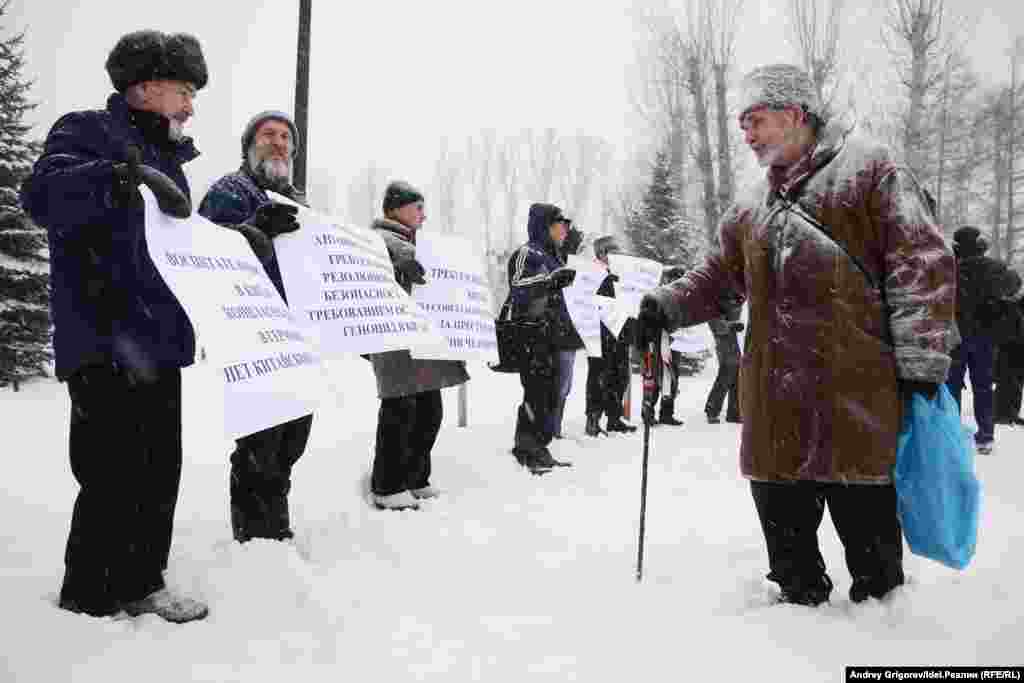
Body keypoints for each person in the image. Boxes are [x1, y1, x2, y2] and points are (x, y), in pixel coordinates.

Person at [637, 64, 958, 606]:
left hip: (856, 400)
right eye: (742, 123)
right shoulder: (751, 203)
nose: (747, 134)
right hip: (774, 407)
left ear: (794, 115)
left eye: (755, 120)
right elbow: (720, 275)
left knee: (876, 569)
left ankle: (886, 642)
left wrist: (921, 363)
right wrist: (665, 304)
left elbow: (921, 265)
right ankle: (793, 633)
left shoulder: (872, 171)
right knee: (789, 567)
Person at [20, 30, 210, 622]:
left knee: (158, 472)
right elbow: (43, 195)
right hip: (104, 337)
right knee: (110, 474)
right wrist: (118, 179)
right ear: (146, 86)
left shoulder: (172, 159)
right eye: (184, 91)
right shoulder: (87, 131)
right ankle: (89, 600)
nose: (190, 106)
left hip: (161, 344)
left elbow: (184, 246)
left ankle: (142, 581)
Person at [198, 111, 313, 541]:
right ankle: (255, 538)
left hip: (296, 337)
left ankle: (275, 526)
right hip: (250, 333)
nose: (279, 142)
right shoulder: (231, 191)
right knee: (259, 444)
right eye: (269, 135)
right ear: (249, 146)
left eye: (286, 137)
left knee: (290, 441)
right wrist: (253, 231)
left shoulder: (299, 204)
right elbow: (205, 253)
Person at [366, 181, 470, 509]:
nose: (423, 215)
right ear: (394, 208)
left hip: (425, 338)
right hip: (395, 338)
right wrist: (399, 264)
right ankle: (387, 483)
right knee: (400, 409)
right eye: (417, 207)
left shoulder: (422, 244)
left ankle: (415, 476)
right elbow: (372, 275)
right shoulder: (378, 239)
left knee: (429, 410)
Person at [507, 203, 578, 473]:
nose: (565, 229)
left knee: (551, 392)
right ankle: (526, 447)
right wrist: (549, 282)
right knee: (536, 390)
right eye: (560, 223)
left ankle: (540, 445)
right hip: (532, 332)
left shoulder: (555, 256)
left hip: (555, 333)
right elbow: (518, 286)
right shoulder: (527, 252)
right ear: (545, 226)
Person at [944, 226, 1022, 454]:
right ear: (980, 246)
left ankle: (951, 434)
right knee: (983, 387)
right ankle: (985, 436)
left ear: (957, 247)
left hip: (955, 337)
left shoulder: (948, 269)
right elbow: (1015, 285)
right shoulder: (996, 268)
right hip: (985, 337)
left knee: (951, 387)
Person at [584, 235, 637, 435]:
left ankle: (614, 418)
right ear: (601, 254)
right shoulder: (590, 272)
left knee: (620, 374)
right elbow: (586, 299)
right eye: (612, 252)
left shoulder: (622, 272)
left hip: (621, 331)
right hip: (598, 333)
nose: (617, 255)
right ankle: (593, 419)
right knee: (598, 376)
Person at [552, 224, 586, 438]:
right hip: (560, 333)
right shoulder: (561, 265)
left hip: (570, 333)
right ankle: (552, 427)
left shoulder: (577, 268)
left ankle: (555, 426)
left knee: (565, 384)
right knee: (560, 384)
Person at [704, 296, 744, 424]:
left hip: (736, 341)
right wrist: (732, 325)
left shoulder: (736, 297)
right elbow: (715, 323)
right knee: (726, 375)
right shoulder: (717, 298)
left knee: (737, 376)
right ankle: (712, 409)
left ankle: (735, 412)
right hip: (725, 342)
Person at [657, 266, 687, 427]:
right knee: (656, 377)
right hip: (660, 342)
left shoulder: (682, 297)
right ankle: (648, 411)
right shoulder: (659, 294)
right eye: (674, 278)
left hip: (677, 343)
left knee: (673, 378)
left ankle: (667, 413)